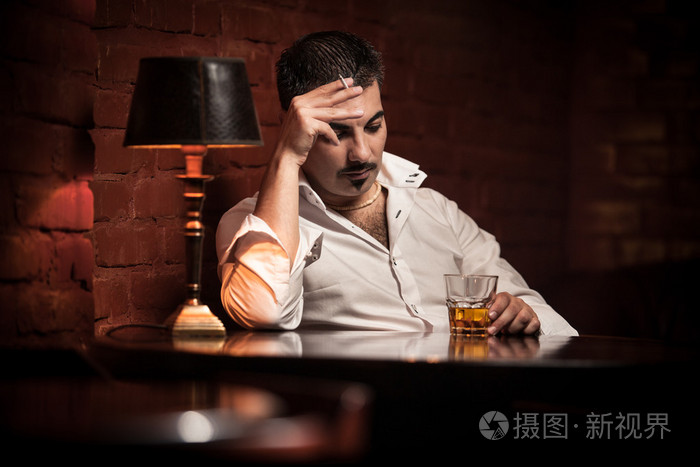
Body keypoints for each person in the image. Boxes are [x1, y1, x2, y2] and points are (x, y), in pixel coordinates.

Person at [216, 30, 578, 336]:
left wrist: (524, 315)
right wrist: (286, 156)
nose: (362, 153)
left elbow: (557, 326)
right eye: (337, 133)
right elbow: (264, 311)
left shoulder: (436, 209)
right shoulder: (248, 225)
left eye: (373, 126)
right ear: (295, 128)